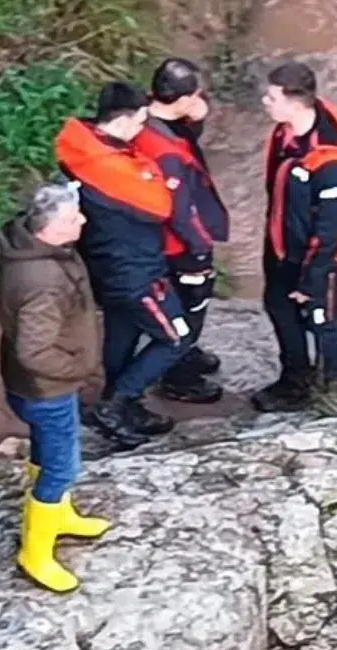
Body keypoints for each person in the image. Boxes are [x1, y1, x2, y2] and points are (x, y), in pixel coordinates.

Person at [55, 82, 191, 448]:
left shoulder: (81, 149)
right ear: (127, 119)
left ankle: (123, 403)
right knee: (177, 336)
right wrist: (152, 172)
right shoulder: (111, 170)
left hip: (107, 264)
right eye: (141, 120)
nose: (143, 128)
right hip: (134, 270)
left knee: (123, 333)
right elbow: (161, 205)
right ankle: (116, 404)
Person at [0, 180, 111, 593]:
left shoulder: (32, 249)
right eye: (73, 216)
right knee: (62, 466)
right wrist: (77, 366)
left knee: (48, 452)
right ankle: (36, 551)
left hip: (35, 384)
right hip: (47, 389)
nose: (82, 219)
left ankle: (58, 515)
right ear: (51, 227)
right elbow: (34, 350)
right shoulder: (42, 282)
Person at [251, 60, 337, 414]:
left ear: (295, 102)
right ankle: (294, 378)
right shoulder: (285, 133)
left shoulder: (330, 162)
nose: (264, 103)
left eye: (271, 97)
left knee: (322, 318)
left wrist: (313, 278)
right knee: (279, 307)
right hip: (283, 243)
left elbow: (329, 230)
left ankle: (328, 389)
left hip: (320, 256)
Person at [132, 57, 229, 405]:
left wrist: (196, 121)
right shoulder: (166, 153)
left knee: (177, 300)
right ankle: (180, 377)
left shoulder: (141, 120)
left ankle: (185, 354)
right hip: (177, 245)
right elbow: (179, 211)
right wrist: (200, 250)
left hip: (152, 238)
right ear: (186, 98)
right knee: (193, 303)